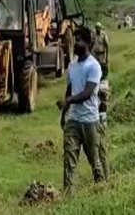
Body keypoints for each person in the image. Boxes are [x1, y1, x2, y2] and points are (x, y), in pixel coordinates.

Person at [60, 27, 104, 193]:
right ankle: (67, 195)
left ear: (87, 43)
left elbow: (87, 92)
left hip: (90, 121)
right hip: (73, 120)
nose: (74, 44)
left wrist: (68, 101)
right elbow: (70, 89)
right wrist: (64, 114)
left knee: (94, 160)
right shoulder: (72, 66)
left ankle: (101, 189)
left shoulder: (94, 66)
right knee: (69, 159)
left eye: (78, 40)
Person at [97, 65, 111, 180]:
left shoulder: (103, 85)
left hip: (100, 119)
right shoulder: (102, 83)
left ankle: (105, 177)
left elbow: (100, 95)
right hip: (101, 118)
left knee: (101, 150)